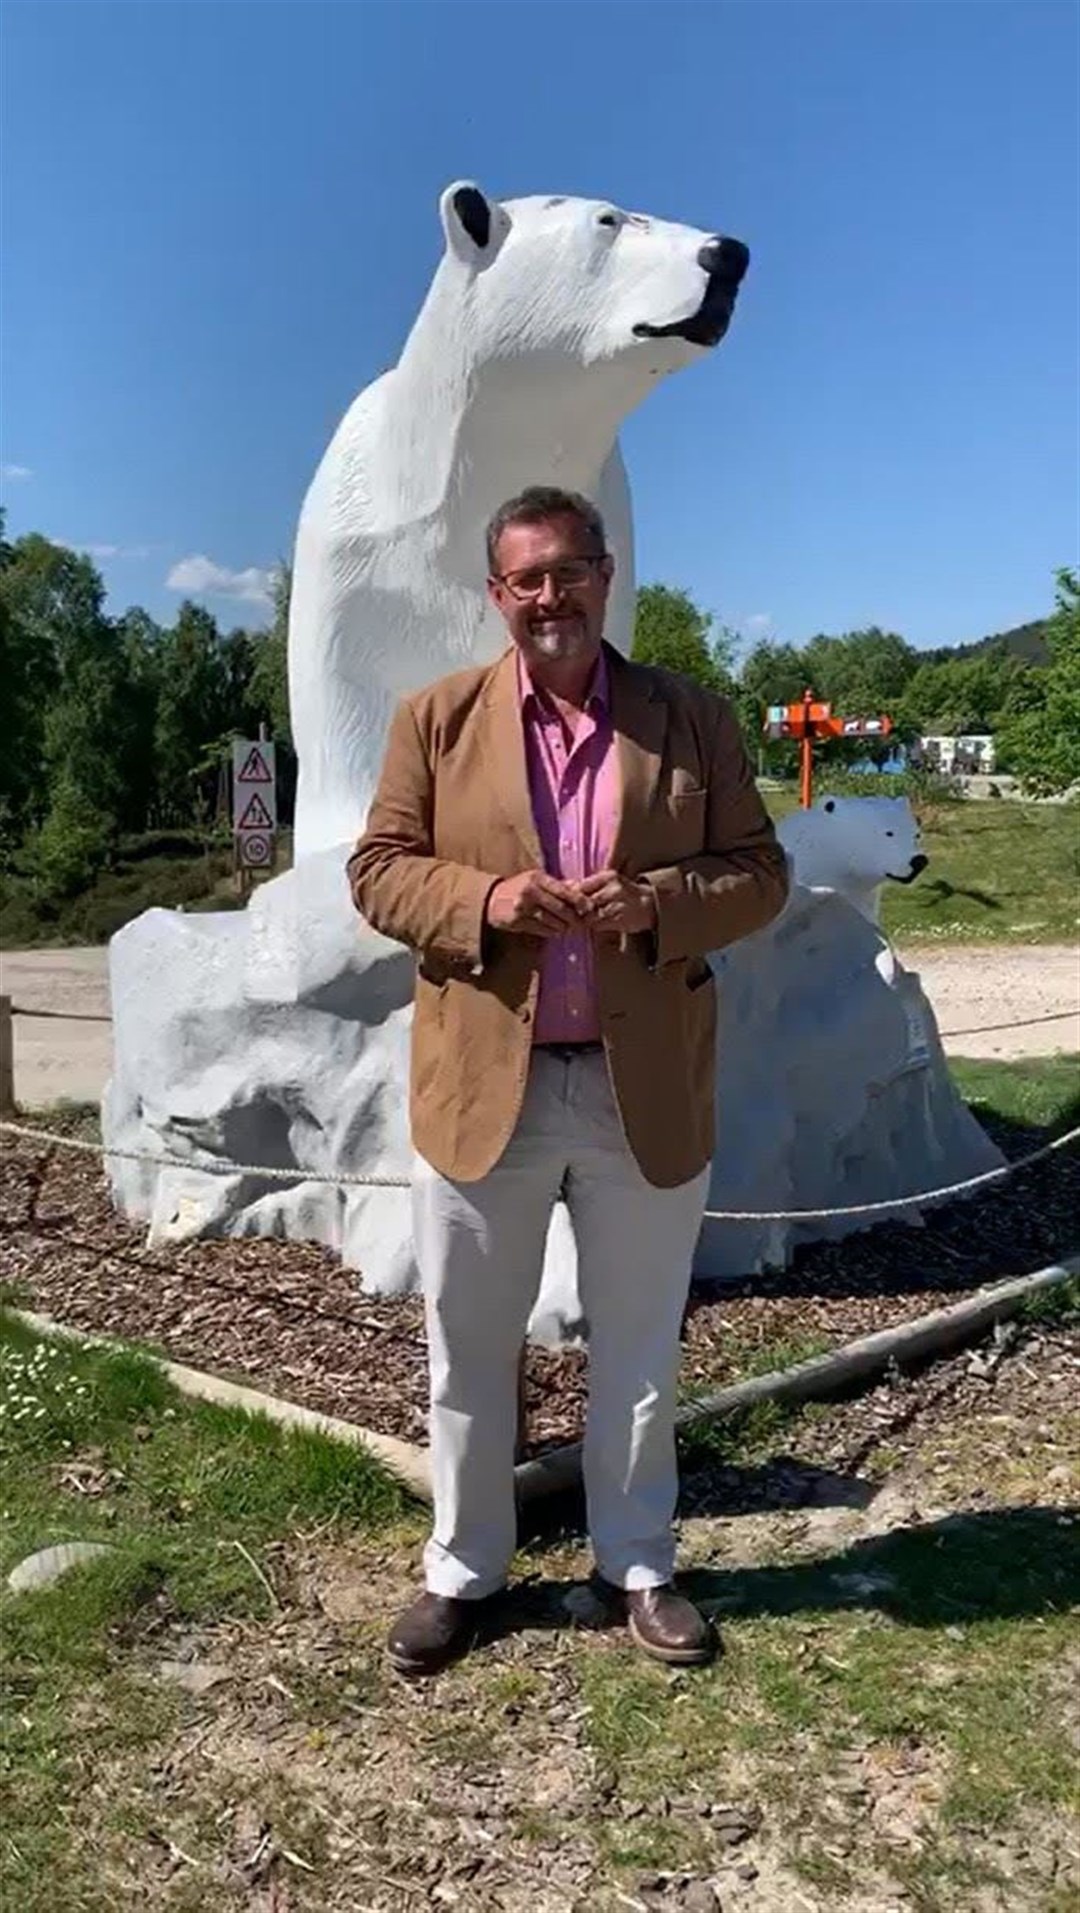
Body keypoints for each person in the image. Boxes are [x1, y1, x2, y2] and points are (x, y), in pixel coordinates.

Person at [347, 486, 789, 1677]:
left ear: (606, 573)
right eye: (526, 578)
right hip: (484, 1083)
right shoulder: (434, 720)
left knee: (641, 1344)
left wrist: (659, 903)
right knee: (468, 1341)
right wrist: (486, 901)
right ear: (497, 595)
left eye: (571, 571)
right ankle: (464, 1565)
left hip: (641, 1082)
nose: (551, 596)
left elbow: (760, 875)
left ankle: (638, 1561)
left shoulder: (691, 718)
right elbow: (379, 873)